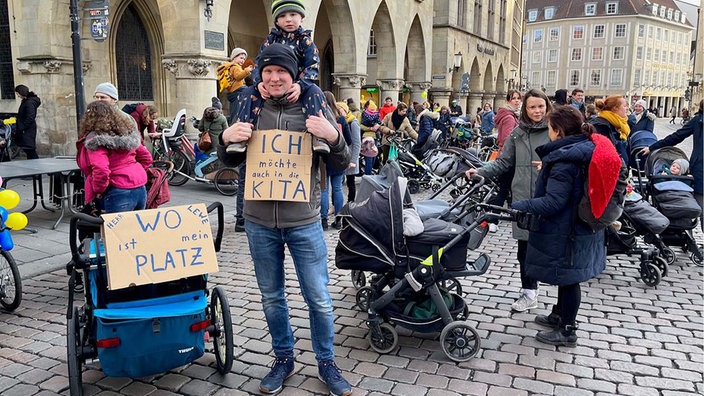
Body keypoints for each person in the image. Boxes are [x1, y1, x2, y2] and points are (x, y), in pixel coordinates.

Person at [217, 43, 352, 396]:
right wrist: (224, 138)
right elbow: (229, 163)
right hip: (260, 221)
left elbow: (341, 162)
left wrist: (334, 136)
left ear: (293, 74)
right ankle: (283, 358)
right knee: (271, 297)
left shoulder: (313, 105)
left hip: (304, 220)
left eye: (282, 71)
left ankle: (326, 362)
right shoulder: (249, 108)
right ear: (260, 73)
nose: (275, 77)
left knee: (319, 297)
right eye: (268, 71)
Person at [511, 105, 614, 347]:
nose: (548, 132)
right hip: (579, 227)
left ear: (558, 131)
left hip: (567, 229)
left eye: (549, 128)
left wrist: (521, 204)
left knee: (569, 278)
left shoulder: (565, 160)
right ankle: (559, 314)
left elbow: (554, 202)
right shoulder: (582, 149)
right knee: (567, 274)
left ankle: (567, 330)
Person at [465, 88, 552, 312]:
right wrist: (480, 171)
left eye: (540, 106)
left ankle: (562, 305)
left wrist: (550, 165)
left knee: (552, 247)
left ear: (547, 106)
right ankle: (529, 292)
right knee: (524, 248)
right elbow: (503, 163)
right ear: (525, 108)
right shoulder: (518, 132)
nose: (537, 111)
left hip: (550, 197)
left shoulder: (556, 130)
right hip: (523, 198)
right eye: (532, 107)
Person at [238, 0, 328, 155]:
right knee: (247, 93)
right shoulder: (270, 40)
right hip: (270, 87)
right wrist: (259, 83)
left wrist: (301, 85)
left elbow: (312, 66)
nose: (288, 19)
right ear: (276, 20)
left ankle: (319, 137)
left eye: (293, 14)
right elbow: (259, 64)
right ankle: (241, 135)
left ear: (301, 17)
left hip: (298, 85)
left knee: (315, 92)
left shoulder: (305, 41)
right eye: (283, 16)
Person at [76, 100, 152, 213]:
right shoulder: (127, 134)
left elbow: (101, 169)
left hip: (117, 189)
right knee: (135, 228)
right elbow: (147, 158)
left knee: (114, 229)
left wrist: (99, 190)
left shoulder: (96, 140)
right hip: (140, 188)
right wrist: (135, 172)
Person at [641, 99, 703, 229]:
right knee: (700, 206)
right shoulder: (698, 121)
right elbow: (677, 136)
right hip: (700, 170)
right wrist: (653, 147)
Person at [489, 89, 522, 231]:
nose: (516, 101)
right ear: (508, 100)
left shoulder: (512, 115)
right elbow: (507, 139)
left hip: (507, 156)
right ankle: (494, 221)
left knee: (506, 190)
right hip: (509, 157)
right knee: (504, 190)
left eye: (518, 98)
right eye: (513, 98)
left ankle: (501, 218)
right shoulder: (509, 117)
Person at [320, 91, 350, 230]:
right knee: (337, 188)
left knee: (324, 190)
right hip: (339, 157)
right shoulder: (341, 119)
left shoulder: (320, 117)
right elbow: (348, 140)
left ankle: (323, 220)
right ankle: (339, 219)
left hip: (324, 158)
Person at [590, 95, 630, 166]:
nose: (627, 109)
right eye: (624, 106)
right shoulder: (600, 125)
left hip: (620, 170)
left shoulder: (620, 124)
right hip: (608, 169)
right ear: (615, 108)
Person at [221, 47, 254, 125]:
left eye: (244, 59)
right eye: (241, 58)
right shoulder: (235, 67)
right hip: (239, 90)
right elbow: (238, 76)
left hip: (235, 91)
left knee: (235, 111)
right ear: (234, 57)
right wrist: (247, 70)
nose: (243, 60)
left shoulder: (231, 67)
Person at [338, 101, 361, 203]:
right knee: (339, 183)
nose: (338, 112)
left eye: (340, 110)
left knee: (350, 182)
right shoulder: (339, 121)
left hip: (350, 156)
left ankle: (351, 202)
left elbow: (357, 143)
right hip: (342, 156)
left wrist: (353, 160)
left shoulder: (353, 123)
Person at [14, 85, 41, 159]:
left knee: (30, 150)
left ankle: (37, 167)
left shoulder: (29, 102)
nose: (18, 96)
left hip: (27, 130)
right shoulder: (26, 101)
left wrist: (23, 127)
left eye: (18, 94)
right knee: (28, 150)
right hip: (25, 129)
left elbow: (31, 116)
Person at [359, 99, 381, 174]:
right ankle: (368, 176)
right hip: (367, 137)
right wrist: (370, 128)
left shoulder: (377, 113)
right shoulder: (363, 113)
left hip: (375, 137)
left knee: (373, 157)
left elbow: (380, 123)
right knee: (369, 158)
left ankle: (369, 174)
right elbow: (360, 125)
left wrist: (378, 126)